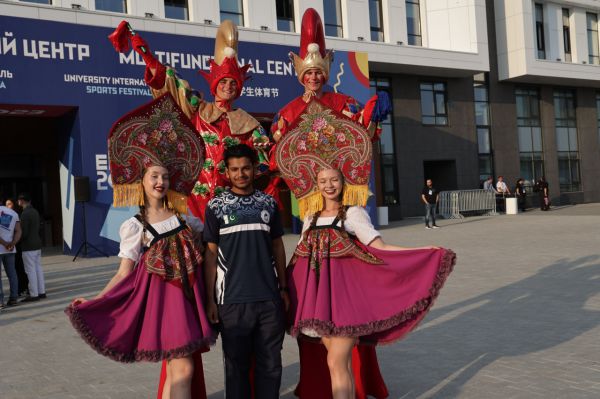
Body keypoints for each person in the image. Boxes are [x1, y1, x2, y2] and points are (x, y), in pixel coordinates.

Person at [274, 99, 455, 398]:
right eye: (323, 181)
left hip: (346, 305)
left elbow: (379, 246)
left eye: (334, 180)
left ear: (343, 182)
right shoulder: (311, 217)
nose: (329, 185)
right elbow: (300, 258)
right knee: (332, 364)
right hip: (319, 304)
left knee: (337, 361)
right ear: (316, 184)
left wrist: (423, 250)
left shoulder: (353, 213)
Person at [270, 9, 392, 399]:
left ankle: (354, 383)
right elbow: (277, 159)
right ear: (299, 74)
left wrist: (372, 118)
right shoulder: (288, 113)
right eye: (307, 73)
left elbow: (361, 143)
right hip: (310, 211)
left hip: (344, 209)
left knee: (348, 301)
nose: (313, 78)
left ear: (327, 70)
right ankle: (315, 385)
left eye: (319, 72)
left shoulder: (343, 103)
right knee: (313, 300)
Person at [65, 94, 214, 399]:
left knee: (179, 372)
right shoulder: (135, 225)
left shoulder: (186, 219)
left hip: (188, 302)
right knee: (182, 370)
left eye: (164, 176)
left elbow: (207, 246)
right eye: (154, 176)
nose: (160, 181)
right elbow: (123, 273)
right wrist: (96, 299)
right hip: (164, 307)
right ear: (142, 181)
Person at [109, 19, 274, 221]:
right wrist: (147, 56)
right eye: (223, 81)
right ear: (214, 84)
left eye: (233, 83)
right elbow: (173, 84)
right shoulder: (197, 108)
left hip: (233, 207)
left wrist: (262, 155)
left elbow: (263, 167)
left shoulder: (251, 124)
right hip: (194, 202)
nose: (228, 86)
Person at [203, 144, 287, 399]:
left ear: (254, 168)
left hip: (269, 300)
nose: (241, 174)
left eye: (246, 168)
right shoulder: (216, 206)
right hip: (231, 302)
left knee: (271, 366)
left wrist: (283, 288)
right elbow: (209, 255)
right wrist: (210, 300)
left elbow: (278, 247)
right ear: (226, 172)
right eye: (235, 169)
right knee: (236, 369)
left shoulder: (269, 203)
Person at [17, 193, 44, 302]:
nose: (18, 202)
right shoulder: (35, 211)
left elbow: (24, 233)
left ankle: (34, 294)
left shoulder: (25, 214)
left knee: (30, 270)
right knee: (38, 269)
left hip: (28, 246)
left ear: (22, 201)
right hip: (37, 244)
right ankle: (41, 292)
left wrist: (16, 240)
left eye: (19, 200)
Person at [0, 200, 21, 308]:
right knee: (12, 274)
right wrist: (12, 243)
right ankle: (13, 298)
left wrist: (4, 244)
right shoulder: (13, 213)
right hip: (10, 249)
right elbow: (18, 231)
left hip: (2, 248)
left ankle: (0, 302)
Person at [5, 198, 28, 296]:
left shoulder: (15, 215)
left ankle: (23, 287)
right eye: (6, 204)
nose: (8, 206)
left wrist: (12, 243)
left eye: (9, 204)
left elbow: (19, 231)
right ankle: (19, 288)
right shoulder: (6, 215)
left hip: (16, 244)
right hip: (9, 245)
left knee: (19, 267)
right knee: (15, 268)